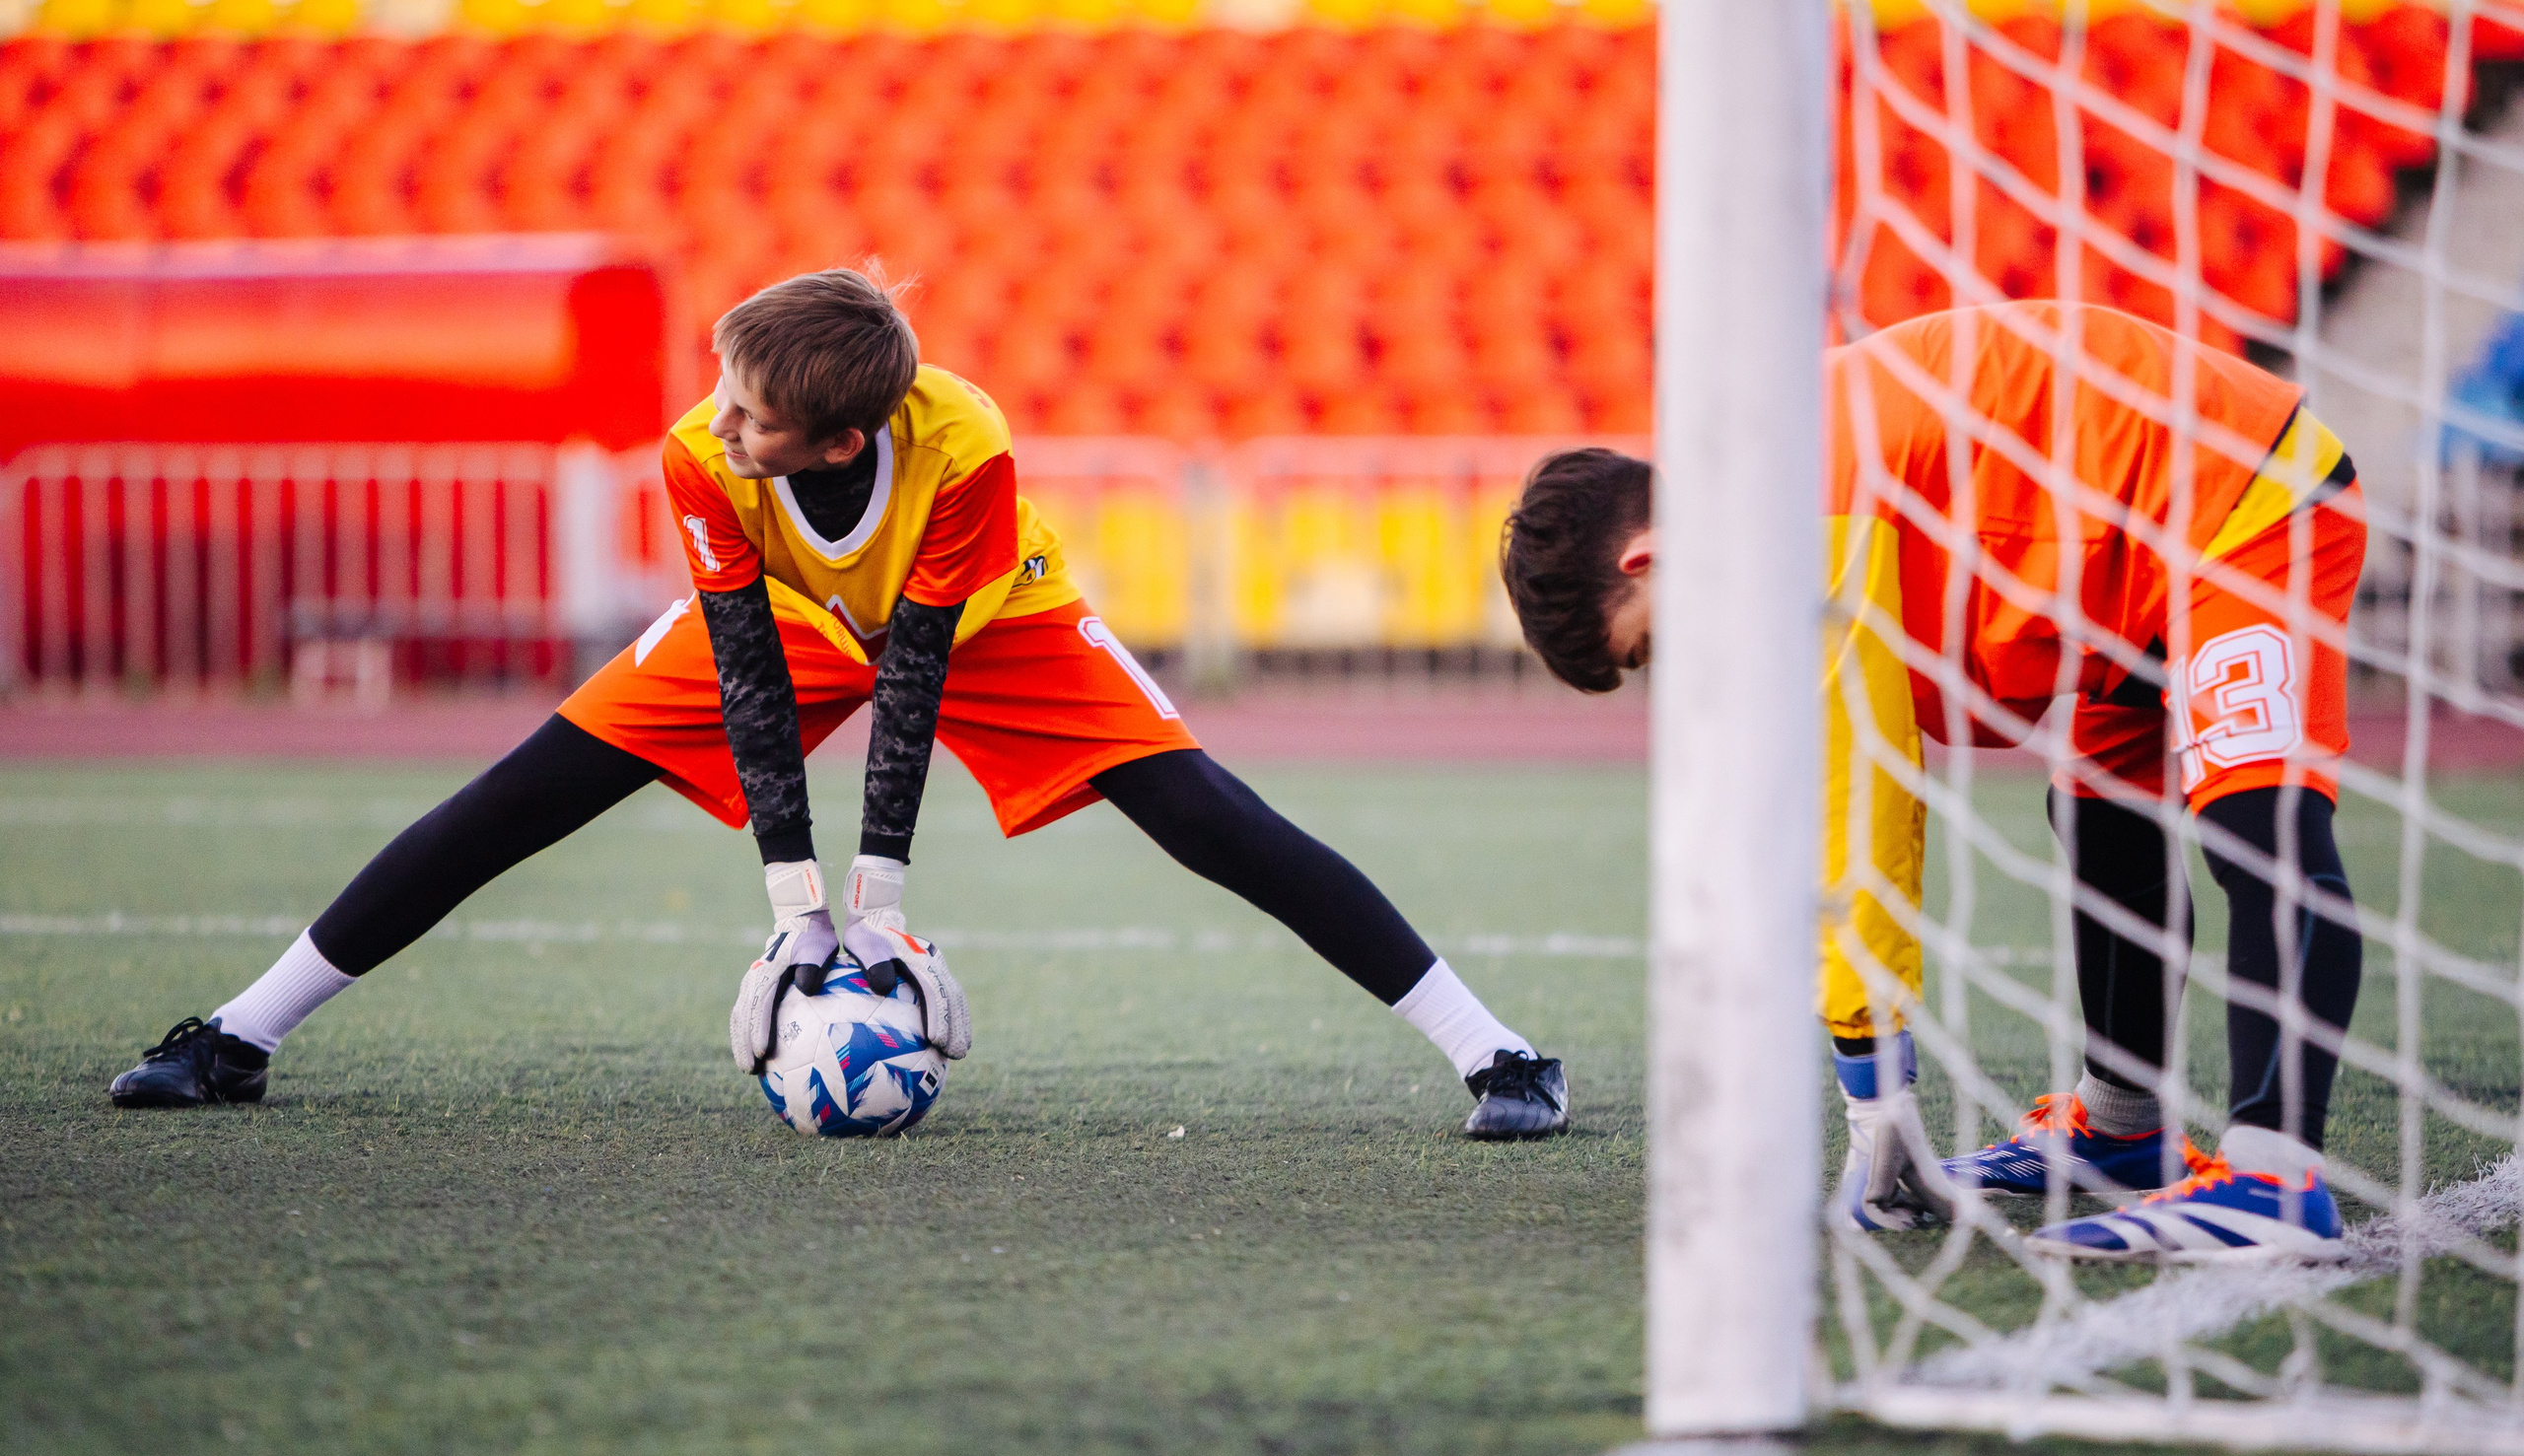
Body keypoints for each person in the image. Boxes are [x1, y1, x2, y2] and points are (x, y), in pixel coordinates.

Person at [110, 267, 1569, 1141]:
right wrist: (798, 913)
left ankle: (1495, 1049)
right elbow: (749, 671)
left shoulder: (964, 445)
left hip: (988, 620)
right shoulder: (704, 457)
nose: (717, 422)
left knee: (1205, 814)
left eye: (750, 411)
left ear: (845, 434)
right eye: (725, 397)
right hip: (792, 625)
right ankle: (239, 1033)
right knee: (525, 791)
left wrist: (882, 901)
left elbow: (916, 671)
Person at [1499, 302, 2364, 1260]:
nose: (1681, 663)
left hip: (2237, 497)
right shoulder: (1774, 467)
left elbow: (1864, 795)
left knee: (2258, 822)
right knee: (2097, 813)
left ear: (1647, 559)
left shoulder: (1798, 502)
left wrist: (1875, 1098)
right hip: (2123, 565)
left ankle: (2274, 1176)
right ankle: (2122, 1130)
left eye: (1654, 643)